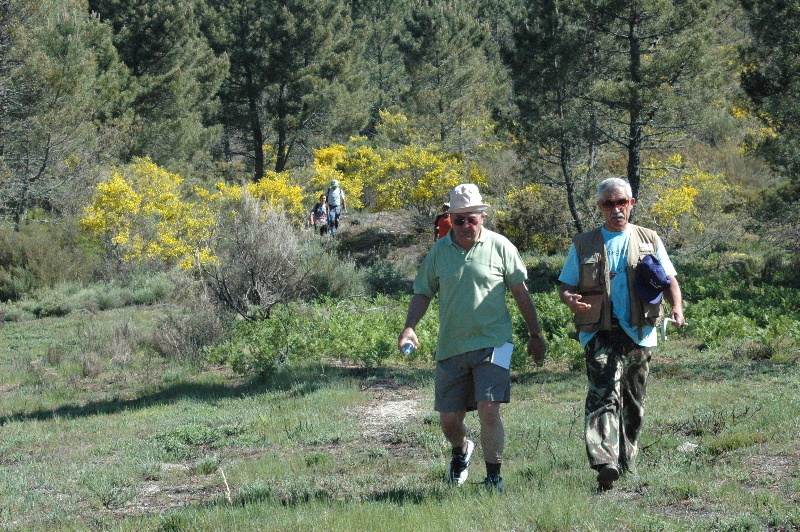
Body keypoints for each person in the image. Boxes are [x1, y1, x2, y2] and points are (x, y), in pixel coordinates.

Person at [398, 183, 547, 492]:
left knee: (489, 409)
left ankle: (494, 478)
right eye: (458, 220)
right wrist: (410, 326)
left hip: (496, 343)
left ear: (483, 217)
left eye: (472, 219)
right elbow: (423, 292)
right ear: (449, 220)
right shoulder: (439, 251)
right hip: (451, 345)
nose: (465, 225)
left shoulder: (501, 246)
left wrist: (536, 334)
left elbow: (521, 293)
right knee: (449, 420)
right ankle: (461, 449)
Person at [557, 177, 685, 491]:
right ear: (600, 207)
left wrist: (677, 308)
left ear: (631, 204)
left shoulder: (649, 238)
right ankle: (605, 462)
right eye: (609, 203)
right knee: (602, 395)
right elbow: (566, 283)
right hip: (598, 329)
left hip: (638, 329)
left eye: (622, 202)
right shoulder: (584, 243)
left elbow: (669, 280)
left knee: (634, 400)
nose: (616, 209)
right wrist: (568, 297)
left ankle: (629, 461)